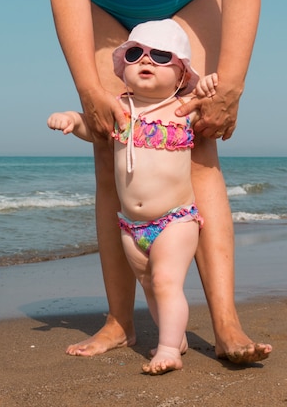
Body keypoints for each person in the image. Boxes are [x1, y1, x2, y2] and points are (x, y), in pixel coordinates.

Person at [49, 0, 272, 363]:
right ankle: (119, 321)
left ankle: (226, 323)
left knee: (198, 141)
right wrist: (87, 89)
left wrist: (232, 85)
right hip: (100, 1)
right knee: (108, 140)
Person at [49, 20, 214, 374]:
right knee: (150, 286)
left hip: (175, 220)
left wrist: (211, 87)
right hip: (131, 226)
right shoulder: (120, 108)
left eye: (160, 56)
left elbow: (210, 104)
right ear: (123, 68)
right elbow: (90, 128)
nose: (146, 61)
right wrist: (70, 120)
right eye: (136, 54)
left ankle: (168, 348)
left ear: (182, 73)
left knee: (166, 281)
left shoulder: (183, 109)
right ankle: (177, 336)